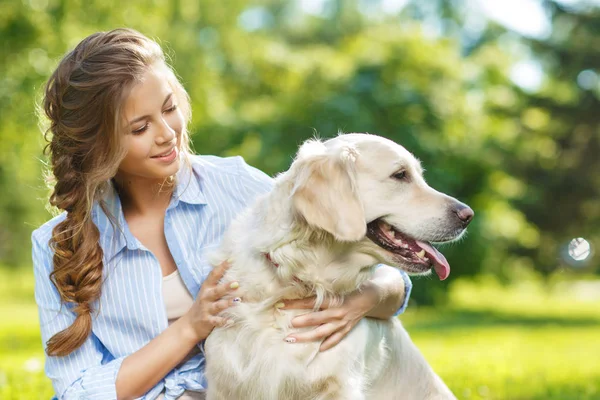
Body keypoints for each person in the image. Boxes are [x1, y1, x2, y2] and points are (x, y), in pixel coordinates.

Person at [31, 28, 413, 400]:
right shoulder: (56, 246)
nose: (167, 133)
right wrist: (190, 328)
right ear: (99, 145)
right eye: (140, 127)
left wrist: (358, 302)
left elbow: (387, 277)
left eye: (169, 108)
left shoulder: (237, 186)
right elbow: (77, 391)